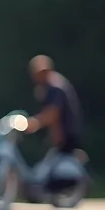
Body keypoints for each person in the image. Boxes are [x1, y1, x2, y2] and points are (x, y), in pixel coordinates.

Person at [22, 55, 85, 189]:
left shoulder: (55, 87)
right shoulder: (47, 87)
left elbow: (53, 114)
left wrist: (34, 123)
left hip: (66, 134)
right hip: (58, 134)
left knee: (54, 168)